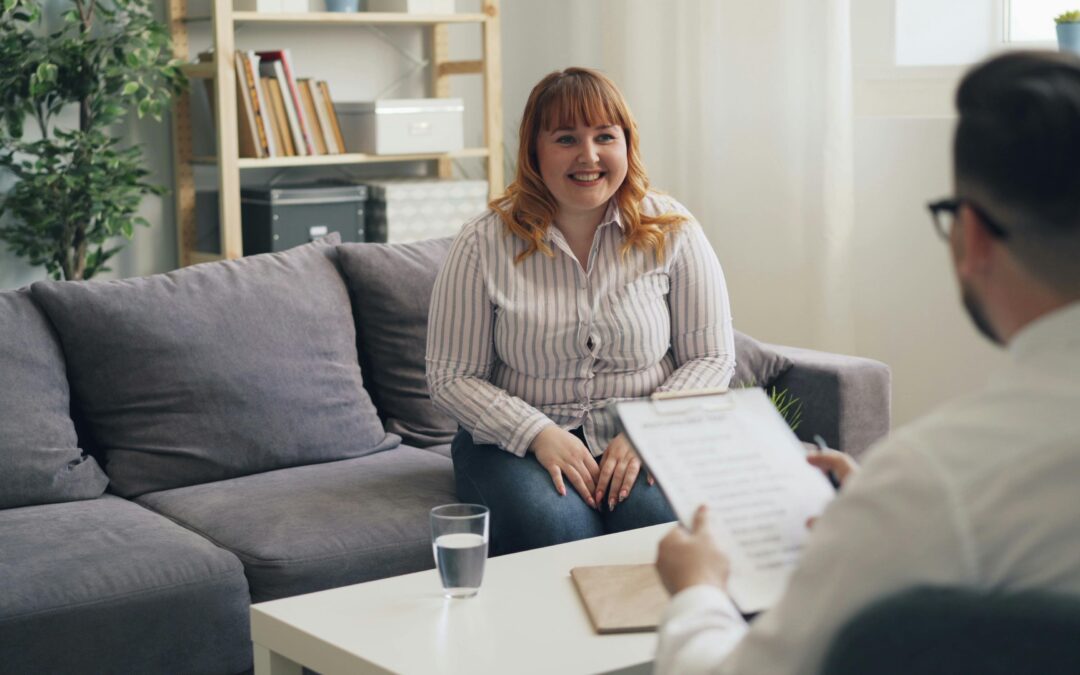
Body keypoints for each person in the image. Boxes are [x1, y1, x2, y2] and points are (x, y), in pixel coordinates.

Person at [653, 50, 1080, 674]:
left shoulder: (932, 482)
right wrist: (881, 507)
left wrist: (696, 590)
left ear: (974, 238)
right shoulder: (922, 492)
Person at [426, 67, 735, 555]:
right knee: (557, 529)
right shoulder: (482, 242)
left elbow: (712, 358)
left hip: (643, 435)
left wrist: (646, 430)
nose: (588, 156)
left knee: (656, 526)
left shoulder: (673, 230)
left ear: (626, 146)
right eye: (566, 138)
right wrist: (537, 433)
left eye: (604, 137)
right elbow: (450, 376)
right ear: (534, 152)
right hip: (516, 444)